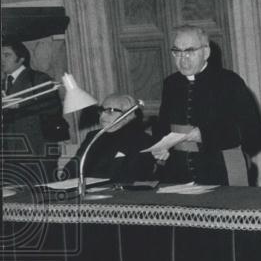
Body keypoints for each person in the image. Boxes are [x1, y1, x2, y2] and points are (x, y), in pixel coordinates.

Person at [152, 26, 261, 185]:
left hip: (221, 169)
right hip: (179, 173)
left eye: (189, 51)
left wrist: (205, 135)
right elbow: (163, 126)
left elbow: (253, 133)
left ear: (206, 52)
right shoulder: (171, 83)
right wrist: (161, 147)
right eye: (177, 52)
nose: (183, 59)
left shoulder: (229, 82)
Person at [1, 41, 62, 184]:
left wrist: (19, 105)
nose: (1, 60)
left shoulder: (38, 78)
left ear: (21, 58)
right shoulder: (3, 83)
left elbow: (53, 106)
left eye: (6, 55)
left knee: (42, 192)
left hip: (38, 153)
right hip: (11, 156)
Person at [61, 93, 155, 184]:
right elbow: (70, 170)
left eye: (110, 111)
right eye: (101, 110)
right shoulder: (93, 136)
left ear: (127, 116)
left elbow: (131, 176)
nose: (102, 116)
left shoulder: (140, 140)